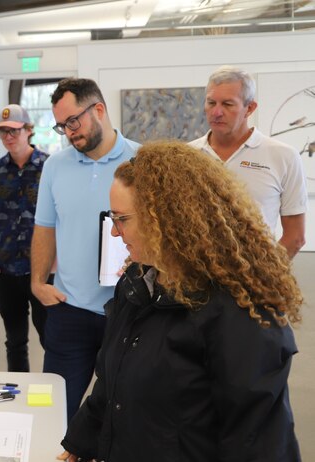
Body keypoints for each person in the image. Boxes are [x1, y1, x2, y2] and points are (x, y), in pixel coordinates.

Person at [59, 141, 302, 462]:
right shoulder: (136, 284)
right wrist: (80, 443)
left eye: (121, 219)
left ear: (167, 219)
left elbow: (258, 441)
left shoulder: (242, 313)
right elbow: (110, 384)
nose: (115, 233)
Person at [31, 78, 139, 421]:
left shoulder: (143, 161)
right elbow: (45, 227)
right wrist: (37, 284)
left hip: (130, 310)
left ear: (99, 110)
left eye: (72, 121)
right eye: (61, 125)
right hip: (69, 310)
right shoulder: (55, 166)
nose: (68, 132)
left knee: (126, 413)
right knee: (53, 412)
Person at [190, 65, 307, 258]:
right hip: (194, 279)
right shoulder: (186, 155)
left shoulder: (283, 156)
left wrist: (263, 277)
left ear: (250, 108)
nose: (216, 112)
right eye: (211, 103)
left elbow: (295, 237)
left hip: (257, 281)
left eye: (227, 104)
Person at [0, 104, 50, 372]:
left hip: (41, 271)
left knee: (51, 338)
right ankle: (19, 393)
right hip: (4, 271)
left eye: (14, 131)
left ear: (29, 131)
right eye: (3, 131)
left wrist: (56, 262)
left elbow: (64, 217)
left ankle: (56, 393)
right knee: (15, 340)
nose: (9, 137)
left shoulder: (50, 167)